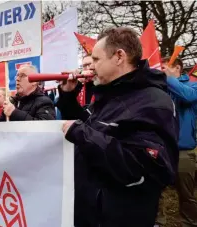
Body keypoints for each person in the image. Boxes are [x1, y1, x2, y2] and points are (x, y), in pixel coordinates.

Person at [59, 27, 179, 227]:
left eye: (96, 60)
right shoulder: (108, 96)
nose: (91, 66)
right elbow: (90, 128)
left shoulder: (153, 102)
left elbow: (143, 168)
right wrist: (69, 98)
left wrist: (81, 134)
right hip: (90, 213)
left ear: (119, 56)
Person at [158, 57, 197, 226]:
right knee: (157, 189)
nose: (161, 72)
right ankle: (158, 222)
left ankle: (189, 223)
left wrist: (168, 78)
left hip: (184, 150)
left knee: (186, 194)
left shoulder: (192, 85)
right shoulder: (161, 87)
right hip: (162, 149)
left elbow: (188, 97)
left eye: (165, 68)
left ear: (178, 68)